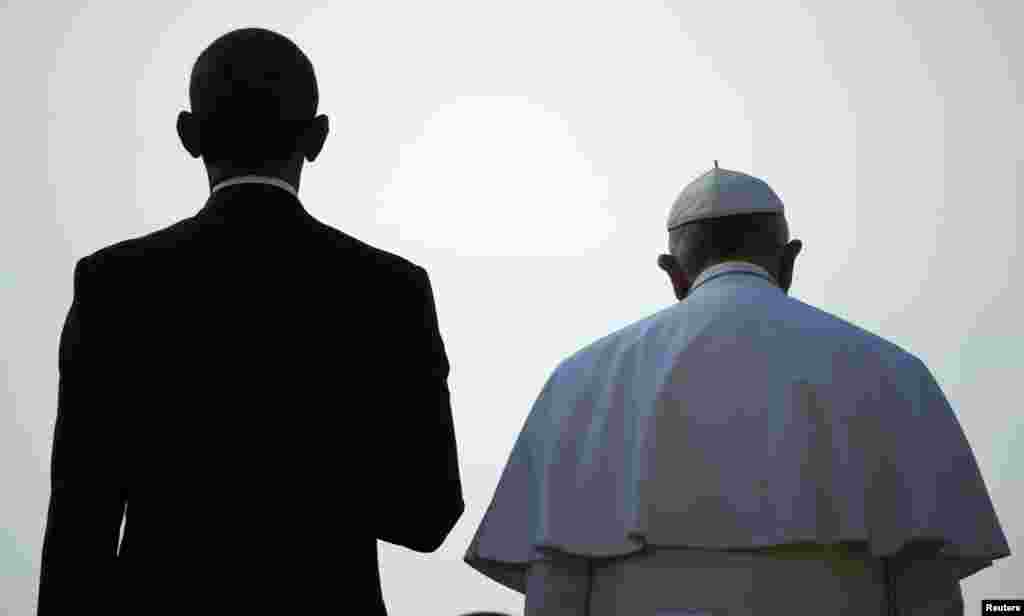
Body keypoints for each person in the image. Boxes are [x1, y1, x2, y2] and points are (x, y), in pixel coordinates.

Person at [37, 27, 463, 616]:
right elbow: (429, 512)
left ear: (188, 135)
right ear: (317, 138)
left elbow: (80, 519)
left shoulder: (115, 283)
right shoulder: (390, 289)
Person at [463, 162, 1010, 615]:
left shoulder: (582, 379)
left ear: (671, 272)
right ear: (790, 260)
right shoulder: (892, 372)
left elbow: (555, 581)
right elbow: (927, 584)